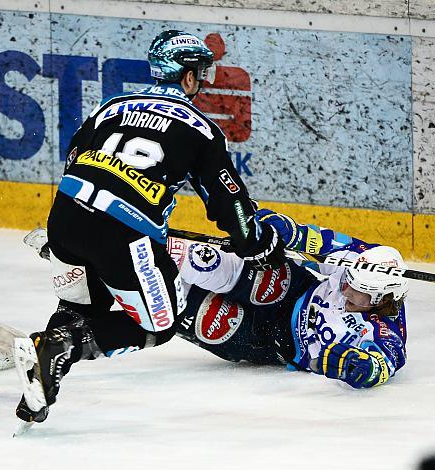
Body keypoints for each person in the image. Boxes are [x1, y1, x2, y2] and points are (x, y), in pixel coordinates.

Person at [14, 30, 285, 425]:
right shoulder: (200, 128)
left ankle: (41, 386)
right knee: (159, 325)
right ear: (187, 77)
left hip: (65, 216)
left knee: (79, 307)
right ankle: (60, 347)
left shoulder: (111, 106)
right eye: (199, 73)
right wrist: (258, 245)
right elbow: (230, 207)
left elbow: (75, 157)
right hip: (122, 232)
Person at [172, 209, 408, 388]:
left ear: (378, 301)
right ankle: (157, 249)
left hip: (271, 343)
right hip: (291, 290)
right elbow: (314, 240)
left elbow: (385, 361)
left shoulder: (385, 330)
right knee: (211, 264)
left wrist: (363, 368)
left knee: (179, 304)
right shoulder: (360, 258)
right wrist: (285, 230)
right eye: (347, 279)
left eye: (355, 289)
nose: (345, 288)